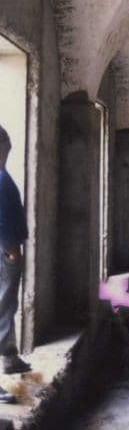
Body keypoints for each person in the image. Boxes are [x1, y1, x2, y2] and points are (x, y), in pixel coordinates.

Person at [0, 126, 31, 403]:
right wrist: (10, 249)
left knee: (6, 306)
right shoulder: (0, 179)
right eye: (6, 145)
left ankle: (9, 358)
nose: (9, 149)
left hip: (6, 251)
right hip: (4, 252)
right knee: (2, 306)